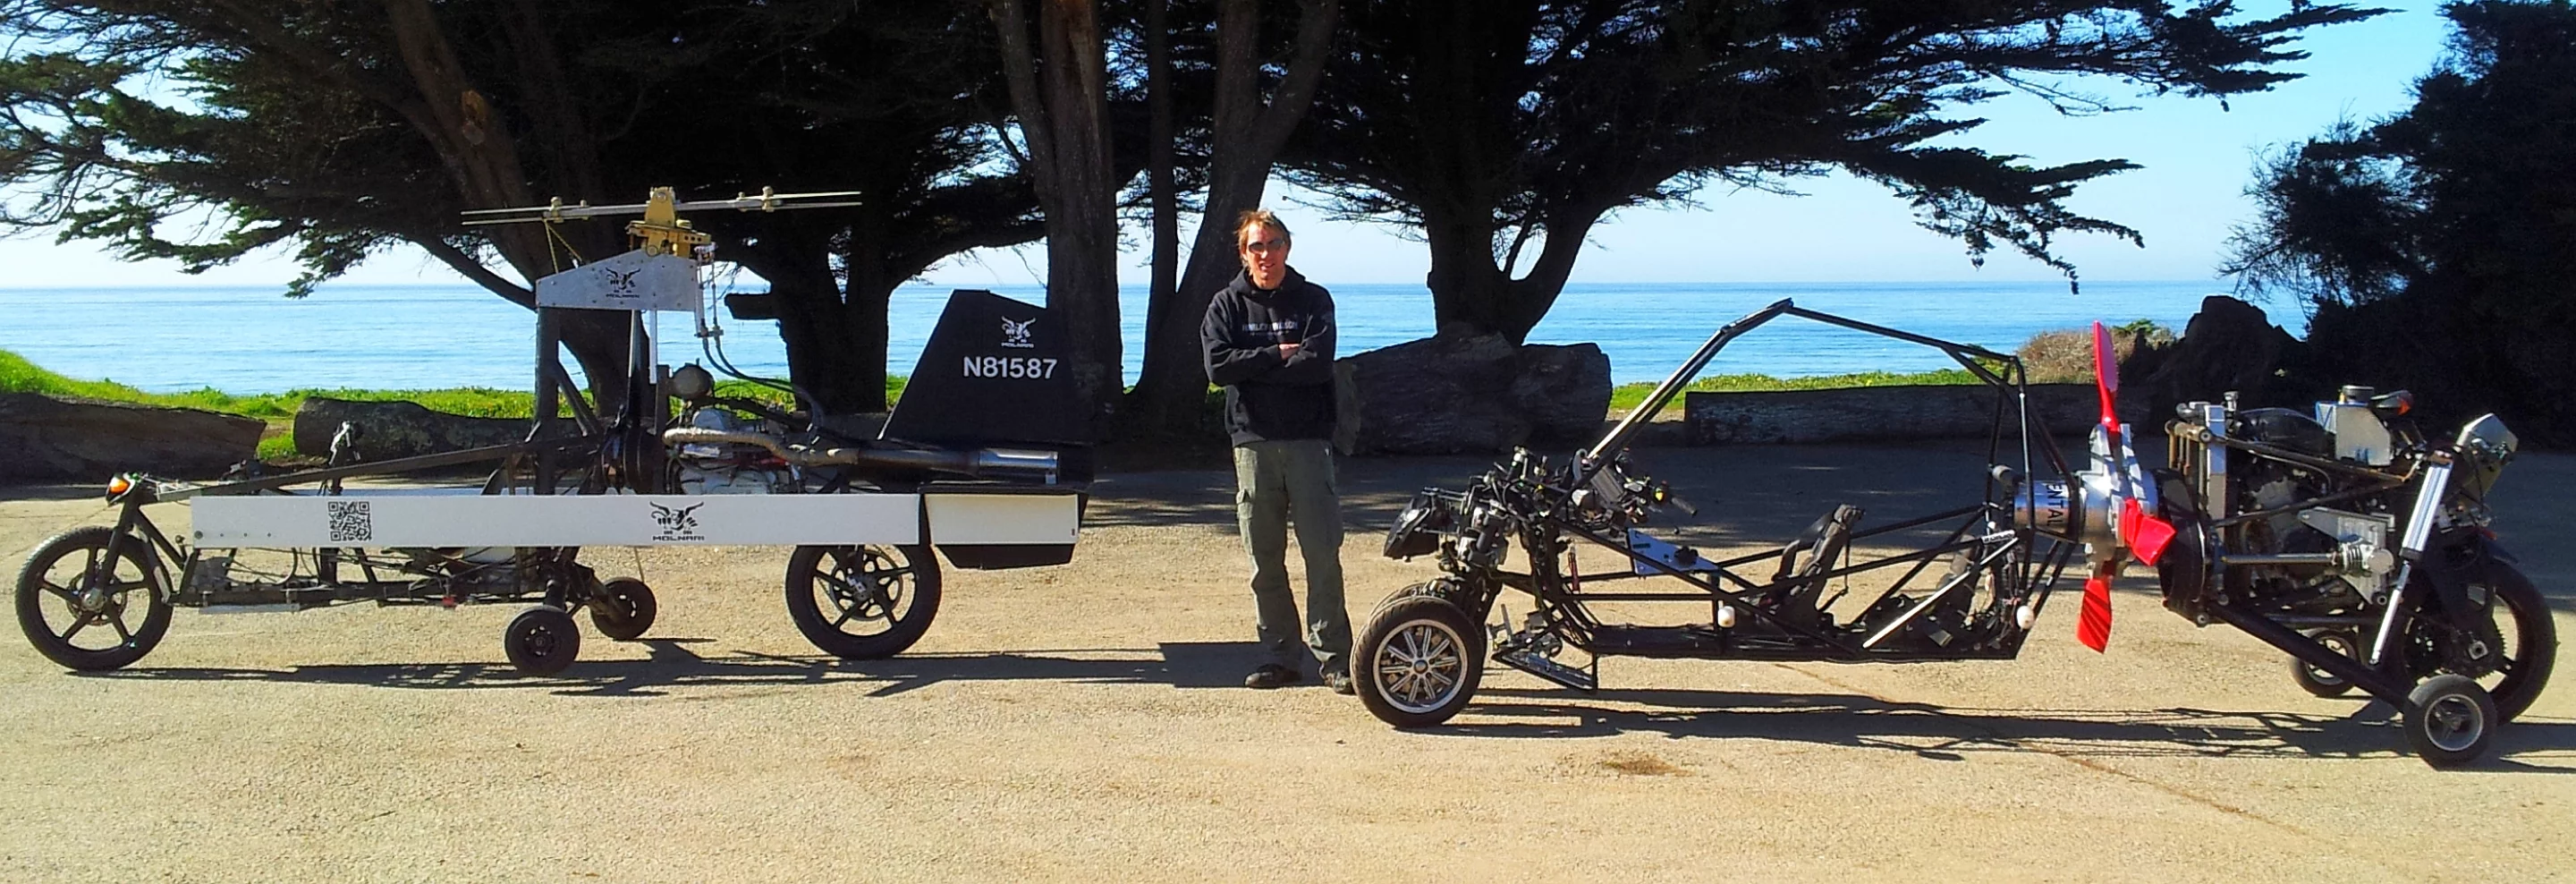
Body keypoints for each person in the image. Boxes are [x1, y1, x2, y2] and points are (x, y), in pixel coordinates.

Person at [1201, 208, 1352, 693]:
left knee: (1322, 553)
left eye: (1273, 244)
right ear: (1243, 253)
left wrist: (1259, 367)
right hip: (1253, 445)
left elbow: (1315, 364)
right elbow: (1217, 367)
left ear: (1288, 247)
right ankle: (1278, 656)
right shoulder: (1226, 305)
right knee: (1264, 558)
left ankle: (1334, 657)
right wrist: (1275, 353)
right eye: (1255, 247)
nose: (1265, 255)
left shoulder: (1313, 301)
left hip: (1308, 443)